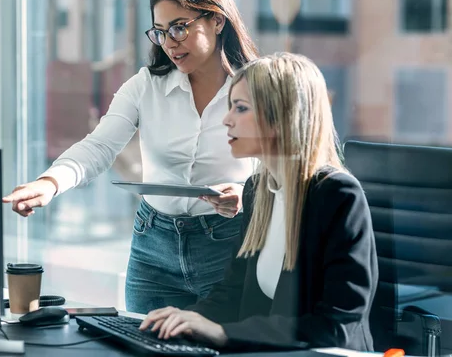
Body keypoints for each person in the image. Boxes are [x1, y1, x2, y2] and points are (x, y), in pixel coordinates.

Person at [2, 0, 260, 313]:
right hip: (154, 247)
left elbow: (286, 168)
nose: (170, 42)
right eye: (160, 31)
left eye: (180, 27)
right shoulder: (146, 86)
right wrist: (50, 183)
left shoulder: (257, 86)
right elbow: (100, 145)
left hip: (227, 244)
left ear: (217, 20)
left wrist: (247, 195)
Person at [139, 53, 378, 351]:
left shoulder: (337, 195)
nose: (226, 120)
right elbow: (234, 291)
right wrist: (187, 318)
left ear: (281, 116)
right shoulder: (257, 190)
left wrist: (224, 333)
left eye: (240, 108)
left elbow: (335, 325)